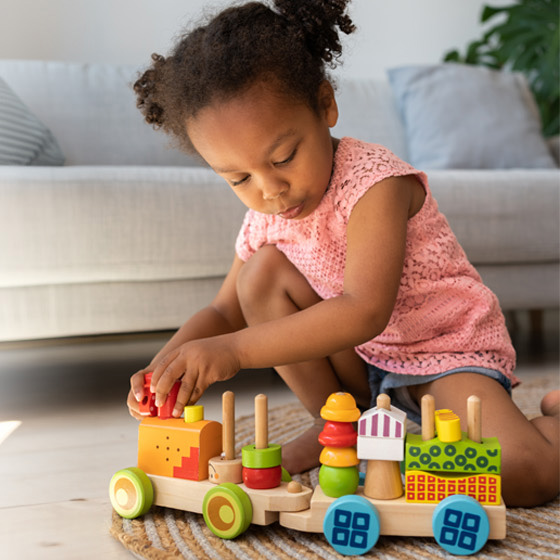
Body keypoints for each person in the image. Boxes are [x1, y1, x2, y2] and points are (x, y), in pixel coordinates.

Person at [127, 0, 559, 507]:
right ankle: (338, 420)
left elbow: (363, 309)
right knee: (260, 275)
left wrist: (235, 351)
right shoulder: (266, 215)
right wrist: (165, 366)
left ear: (325, 104)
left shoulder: (375, 183)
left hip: (445, 357)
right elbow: (225, 310)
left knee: (524, 477)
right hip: (361, 369)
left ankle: (550, 419)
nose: (270, 189)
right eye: (239, 178)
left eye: (283, 157)